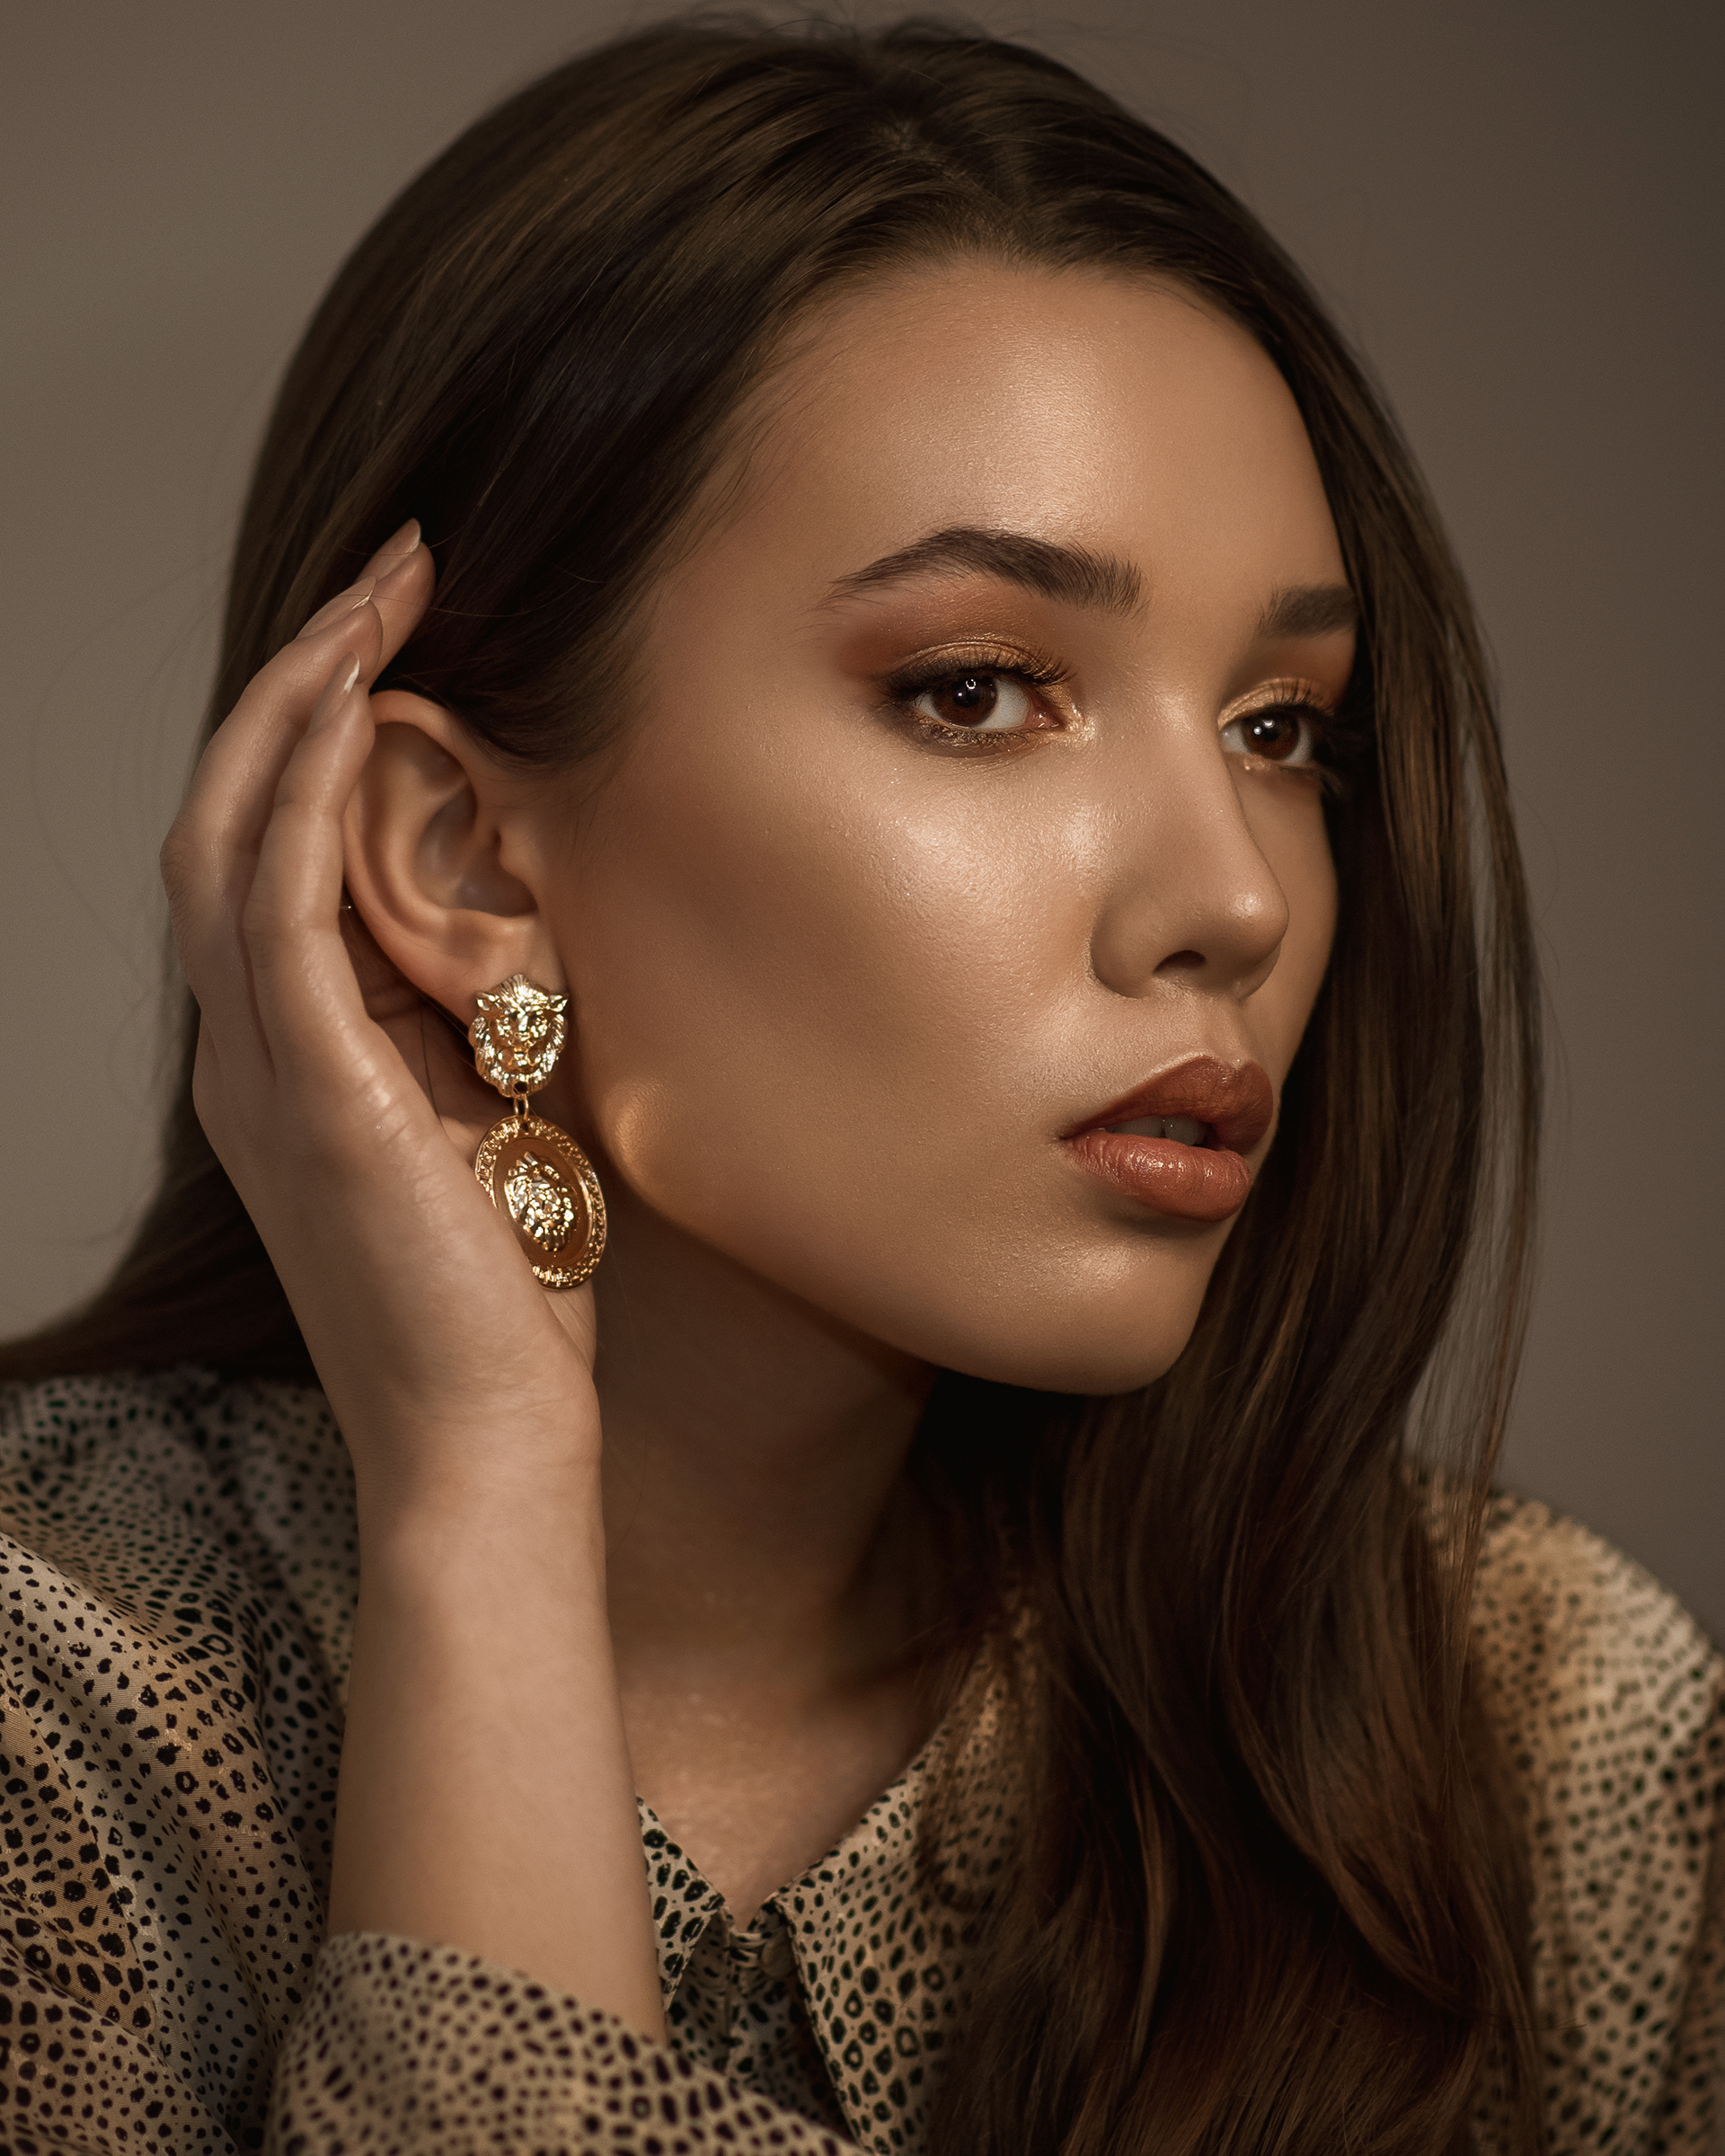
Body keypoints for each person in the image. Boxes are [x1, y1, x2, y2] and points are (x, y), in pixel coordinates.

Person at [0, 17, 1718, 2155]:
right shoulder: (56, 1707)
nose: (1235, 899)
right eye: (980, 691)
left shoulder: (1542, 1745)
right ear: (461, 858)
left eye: (1281, 729)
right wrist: (483, 1504)